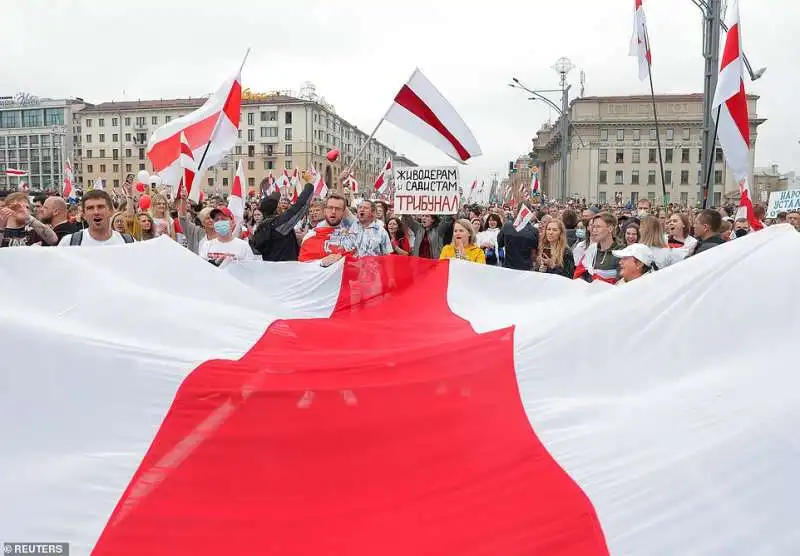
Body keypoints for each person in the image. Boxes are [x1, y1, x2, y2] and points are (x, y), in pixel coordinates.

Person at [250, 174, 314, 261]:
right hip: (285, 270)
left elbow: (256, 250)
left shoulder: (261, 227)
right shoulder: (278, 224)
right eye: (279, 203)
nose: (281, 204)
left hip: (270, 269)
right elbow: (299, 207)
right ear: (276, 208)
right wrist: (309, 183)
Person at [299, 193, 358, 266]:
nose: (333, 211)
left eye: (338, 209)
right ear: (324, 211)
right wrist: (321, 262)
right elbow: (302, 267)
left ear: (343, 213)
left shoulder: (351, 238)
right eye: (330, 208)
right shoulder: (310, 236)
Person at [59, 190, 135, 246]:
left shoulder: (128, 242)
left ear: (111, 211)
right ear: (84, 214)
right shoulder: (69, 243)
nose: (96, 212)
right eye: (90, 208)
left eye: (100, 207)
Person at [574, 212, 622, 284]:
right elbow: (580, 274)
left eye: (598, 227)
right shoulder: (592, 249)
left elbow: (622, 281)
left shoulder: (621, 252)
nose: (594, 230)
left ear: (610, 228)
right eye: (593, 227)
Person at [497, 204, 538, 271]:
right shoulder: (534, 230)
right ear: (529, 212)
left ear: (518, 212)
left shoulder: (507, 226)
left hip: (509, 267)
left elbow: (500, 243)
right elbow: (536, 250)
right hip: (525, 269)